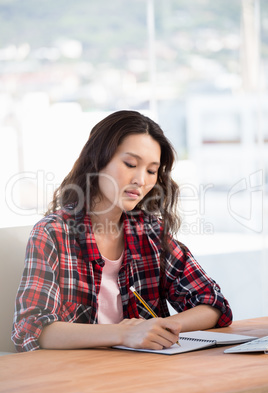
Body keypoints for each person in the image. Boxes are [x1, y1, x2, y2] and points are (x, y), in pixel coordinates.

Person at [12, 110, 232, 353]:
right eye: (130, 164)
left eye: (151, 171)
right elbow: (32, 330)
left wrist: (161, 328)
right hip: (78, 379)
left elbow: (213, 303)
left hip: (147, 374)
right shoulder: (52, 233)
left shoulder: (151, 233)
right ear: (98, 159)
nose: (140, 179)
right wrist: (125, 333)